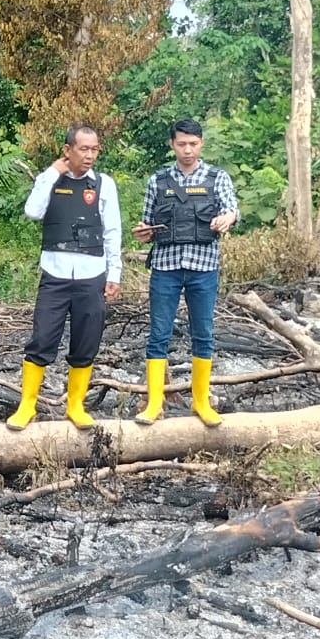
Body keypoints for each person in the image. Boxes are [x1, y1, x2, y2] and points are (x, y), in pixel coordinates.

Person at [7, 124, 122, 430]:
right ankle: (27, 405)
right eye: (83, 149)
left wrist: (115, 273)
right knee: (42, 339)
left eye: (95, 149)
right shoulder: (50, 180)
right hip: (55, 274)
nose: (90, 155)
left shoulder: (104, 184)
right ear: (67, 150)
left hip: (92, 274)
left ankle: (75, 405)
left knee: (86, 342)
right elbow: (33, 211)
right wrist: (50, 173)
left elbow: (112, 231)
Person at [131, 118, 239, 427]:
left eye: (193, 144)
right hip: (165, 267)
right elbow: (147, 222)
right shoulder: (158, 180)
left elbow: (232, 210)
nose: (187, 150)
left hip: (204, 267)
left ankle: (201, 402)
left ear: (201, 143)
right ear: (172, 145)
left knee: (202, 334)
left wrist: (226, 219)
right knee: (158, 335)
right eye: (181, 144)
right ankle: (154, 403)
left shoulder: (217, 177)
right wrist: (143, 232)